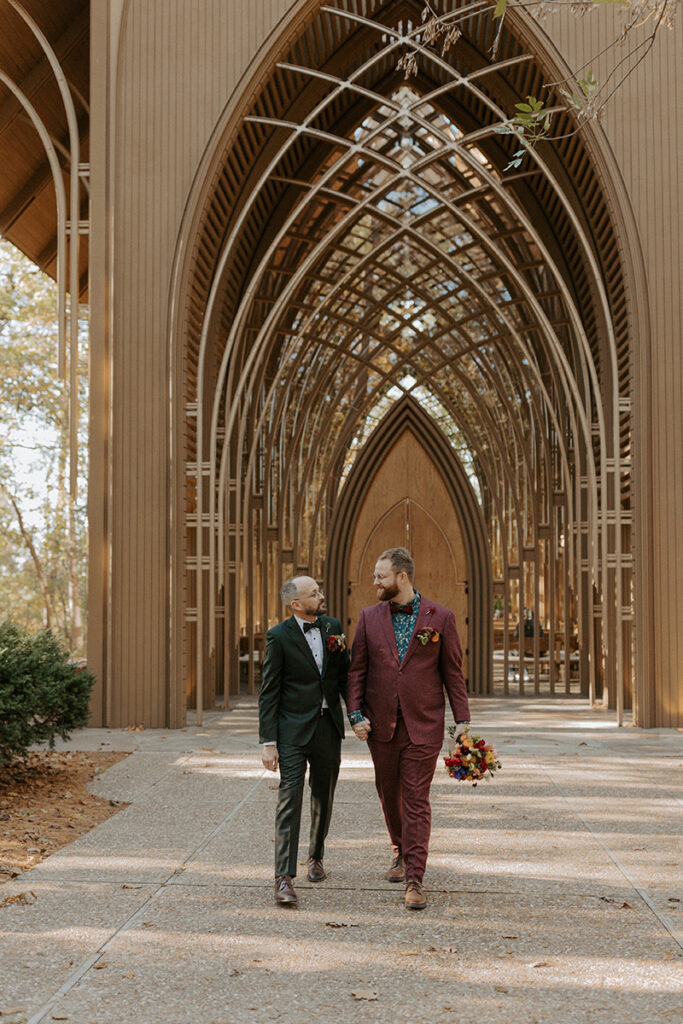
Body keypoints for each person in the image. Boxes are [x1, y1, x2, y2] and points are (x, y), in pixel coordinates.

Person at [346, 547, 470, 911]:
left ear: (402, 577)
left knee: (416, 799)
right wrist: (355, 714)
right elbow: (357, 671)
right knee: (388, 794)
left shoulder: (441, 618)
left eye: (380, 576)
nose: (375, 583)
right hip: (380, 725)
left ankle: (416, 879)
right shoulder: (369, 617)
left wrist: (462, 718)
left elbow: (453, 673)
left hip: (423, 725)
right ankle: (399, 848)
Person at [259, 575, 349, 907]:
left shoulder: (333, 627)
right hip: (292, 732)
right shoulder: (278, 637)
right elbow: (269, 692)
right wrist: (268, 742)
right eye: (314, 594)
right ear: (296, 604)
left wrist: (356, 715)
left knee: (323, 796)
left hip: (328, 729)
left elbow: (345, 677)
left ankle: (316, 856)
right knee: (289, 801)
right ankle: (283, 877)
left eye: (320, 590)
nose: (321, 596)